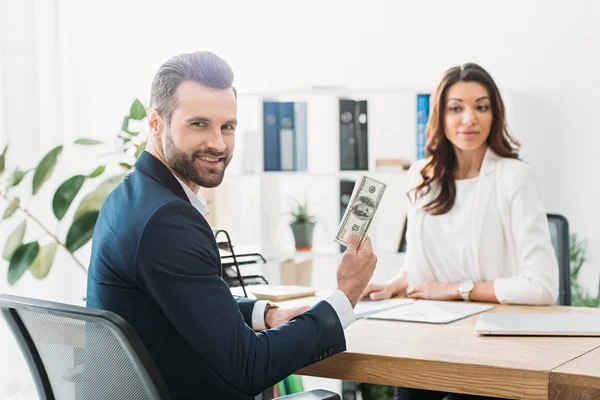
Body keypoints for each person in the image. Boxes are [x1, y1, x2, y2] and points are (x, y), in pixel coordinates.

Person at [86, 51, 378, 400]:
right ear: (155, 124)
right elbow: (250, 366)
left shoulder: (130, 198)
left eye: (228, 126)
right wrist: (346, 294)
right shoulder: (167, 220)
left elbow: (185, 301)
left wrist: (265, 313)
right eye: (199, 124)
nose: (218, 143)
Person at [361, 63, 558, 400]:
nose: (469, 119)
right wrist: (396, 284)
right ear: (440, 115)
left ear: (495, 114)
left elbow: (542, 286)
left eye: (481, 106)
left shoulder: (515, 177)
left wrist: (455, 290)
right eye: (456, 108)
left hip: (492, 342)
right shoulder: (422, 176)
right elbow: (425, 260)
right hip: (431, 333)